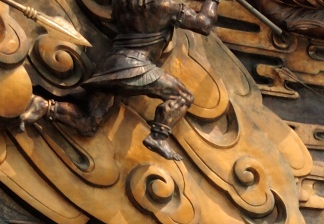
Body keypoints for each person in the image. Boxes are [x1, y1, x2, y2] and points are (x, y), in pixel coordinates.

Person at [20, 0, 220, 162]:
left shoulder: (122, 3)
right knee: (183, 96)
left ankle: (45, 106)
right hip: (136, 67)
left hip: (110, 65)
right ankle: (159, 135)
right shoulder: (165, 6)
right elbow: (204, 24)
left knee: (88, 123)